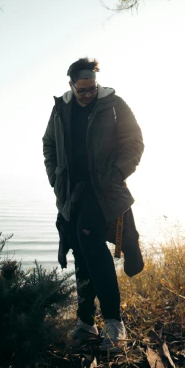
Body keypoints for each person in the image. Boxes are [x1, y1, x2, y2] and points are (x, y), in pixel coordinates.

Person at [42, 57, 144, 350]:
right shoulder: (60, 108)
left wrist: (115, 174)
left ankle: (113, 323)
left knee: (90, 244)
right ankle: (86, 323)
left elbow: (135, 142)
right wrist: (54, 175)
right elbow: (48, 143)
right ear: (71, 85)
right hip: (70, 193)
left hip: (103, 192)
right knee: (79, 251)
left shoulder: (114, 105)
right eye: (82, 90)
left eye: (91, 89)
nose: (87, 95)